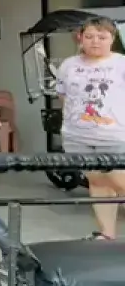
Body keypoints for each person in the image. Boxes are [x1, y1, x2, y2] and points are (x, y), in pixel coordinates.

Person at [56, 16, 125, 240]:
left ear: (112, 38)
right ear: (81, 38)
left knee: (120, 181)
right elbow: (63, 96)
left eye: (101, 37)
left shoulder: (121, 63)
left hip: (115, 136)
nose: (95, 41)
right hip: (77, 136)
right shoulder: (68, 65)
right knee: (96, 182)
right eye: (89, 36)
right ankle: (107, 235)